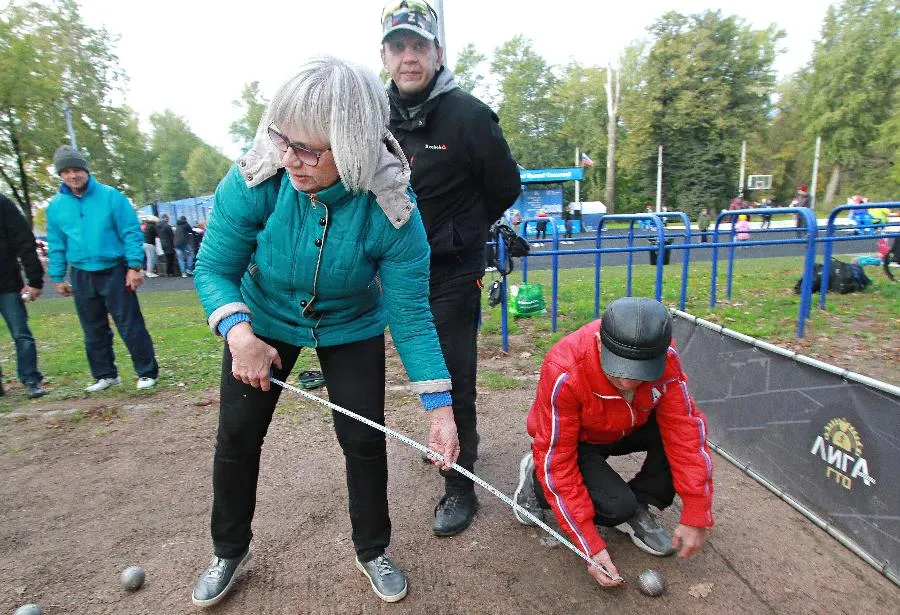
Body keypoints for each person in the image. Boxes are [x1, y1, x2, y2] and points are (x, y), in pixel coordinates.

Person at [190, 56, 460, 607]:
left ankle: (372, 549)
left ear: (354, 146)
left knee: (363, 438)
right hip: (261, 316)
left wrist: (440, 410)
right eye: (283, 140)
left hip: (351, 321)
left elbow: (410, 316)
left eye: (309, 149)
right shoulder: (260, 176)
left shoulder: (392, 209)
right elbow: (214, 268)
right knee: (238, 437)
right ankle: (228, 548)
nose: (290, 158)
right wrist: (240, 335)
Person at [380, 0, 521, 537]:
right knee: (417, 370)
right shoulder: (373, 115)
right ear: (386, 56)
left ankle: (460, 486)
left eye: (420, 46)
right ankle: (449, 440)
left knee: (454, 372)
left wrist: (463, 232)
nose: (409, 57)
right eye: (399, 47)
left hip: (453, 270)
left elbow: (505, 186)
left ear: (438, 53)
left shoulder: (468, 115)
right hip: (392, 271)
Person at [513, 297, 714, 587]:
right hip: (575, 441)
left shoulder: (666, 358)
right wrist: (590, 545)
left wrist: (697, 511)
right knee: (614, 506)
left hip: (626, 426)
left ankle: (639, 505)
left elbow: (687, 432)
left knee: (675, 433)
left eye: (641, 371)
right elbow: (558, 462)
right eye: (619, 369)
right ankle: (534, 478)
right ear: (598, 343)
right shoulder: (564, 368)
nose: (630, 383)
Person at [46, 145, 159, 392]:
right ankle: (105, 374)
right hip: (81, 271)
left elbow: (130, 232)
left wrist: (134, 266)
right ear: (61, 175)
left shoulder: (111, 197)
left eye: (77, 169)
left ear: (86, 170)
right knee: (93, 327)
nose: (72, 175)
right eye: (66, 171)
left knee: (129, 323)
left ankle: (146, 371)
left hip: (115, 269)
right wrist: (56, 275)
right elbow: (56, 243)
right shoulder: (55, 207)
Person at [0, 193, 47, 398]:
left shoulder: (3, 204)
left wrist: (34, 279)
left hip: (6, 283)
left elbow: (24, 241)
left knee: (21, 333)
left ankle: (30, 378)